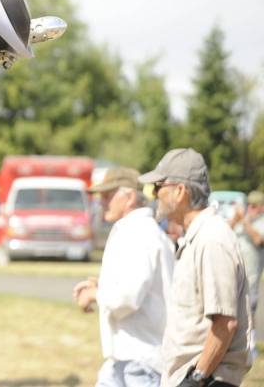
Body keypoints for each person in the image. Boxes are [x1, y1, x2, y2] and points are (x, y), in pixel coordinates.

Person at [140, 148, 253, 387]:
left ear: (180, 191)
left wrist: (197, 378)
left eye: (159, 186)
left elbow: (225, 323)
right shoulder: (198, 236)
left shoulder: (212, 238)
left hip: (207, 379)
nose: (154, 194)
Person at [72, 167, 175, 387]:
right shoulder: (139, 231)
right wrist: (101, 287)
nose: (101, 202)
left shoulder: (138, 234)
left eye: (107, 196)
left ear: (129, 197)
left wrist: (95, 294)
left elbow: (127, 298)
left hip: (141, 360)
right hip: (129, 358)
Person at [228, 190, 264, 315]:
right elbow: (225, 231)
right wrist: (235, 218)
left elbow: (258, 240)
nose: (249, 208)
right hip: (234, 274)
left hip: (251, 277)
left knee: (248, 311)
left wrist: (243, 220)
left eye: (253, 206)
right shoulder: (244, 219)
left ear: (262, 207)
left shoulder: (261, 221)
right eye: (248, 205)